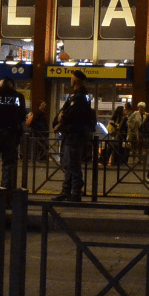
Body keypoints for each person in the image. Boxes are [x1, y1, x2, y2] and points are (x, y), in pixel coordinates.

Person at [53, 70, 95, 202]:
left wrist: (61, 123)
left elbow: (70, 115)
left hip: (74, 136)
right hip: (72, 136)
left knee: (73, 165)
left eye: (72, 79)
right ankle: (67, 191)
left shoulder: (79, 98)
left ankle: (75, 192)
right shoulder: (79, 96)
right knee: (68, 164)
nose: (70, 81)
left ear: (75, 81)